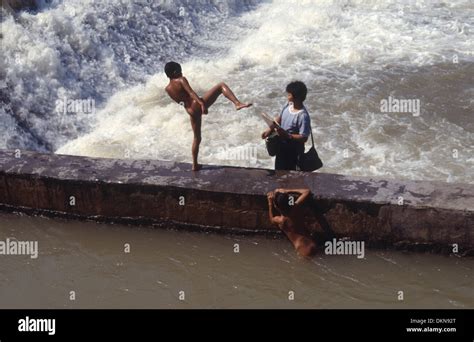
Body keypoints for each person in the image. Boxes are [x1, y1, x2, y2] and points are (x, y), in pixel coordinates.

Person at [164, 61, 252, 171]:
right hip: (196, 104)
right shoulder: (181, 80)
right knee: (221, 86)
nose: (182, 73)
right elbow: (191, 93)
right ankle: (237, 103)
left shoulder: (168, 89)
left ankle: (194, 165)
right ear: (175, 72)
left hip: (189, 110)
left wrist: (191, 110)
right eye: (180, 70)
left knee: (197, 138)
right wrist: (201, 104)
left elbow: (180, 102)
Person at [261, 81, 311, 170]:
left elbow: (304, 137)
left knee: (290, 177)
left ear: (296, 97)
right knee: (279, 172)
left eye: (289, 94)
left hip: (293, 152)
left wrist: (288, 135)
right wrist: (269, 130)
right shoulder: (288, 105)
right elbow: (280, 118)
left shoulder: (303, 116)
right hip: (281, 147)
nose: (287, 96)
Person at [267, 188, 317, 257]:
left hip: (301, 248)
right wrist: (287, 191)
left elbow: (272, 220)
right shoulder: (296, 208)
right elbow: (307, 191)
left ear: (276, 206)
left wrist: (270, 203)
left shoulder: (280, 220)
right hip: (311, 242)